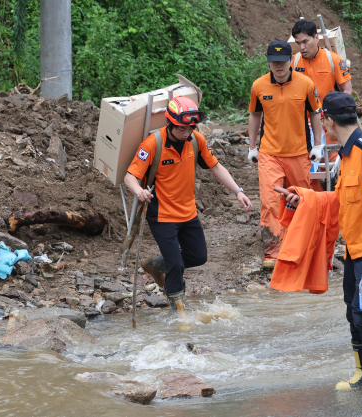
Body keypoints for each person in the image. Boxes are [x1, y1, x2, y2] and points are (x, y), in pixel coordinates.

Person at [286, 91, 362, 409]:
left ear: (328, 120)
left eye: (322, 119)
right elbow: (339, 202)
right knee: (351, 313)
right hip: (354, 250)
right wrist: (304, 198)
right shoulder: (345, 154)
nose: (322, 124)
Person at [125, 96, 252, 313]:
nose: (186, 133)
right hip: (162, 215)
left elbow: (216, 167)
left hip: (188, 212)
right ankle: (179, 312)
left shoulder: (196, 140)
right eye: (182, 129)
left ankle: (157, 264)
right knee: (176, 265)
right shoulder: (153, 143)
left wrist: (237, 190)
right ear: (170, 123)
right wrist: (139, 191)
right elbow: (130, 176)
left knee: (198, 256)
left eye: (190, 128)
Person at [248, 40, 323, 272]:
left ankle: (305, 244)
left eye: (282, 62)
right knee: (270, 201)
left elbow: (316, 114)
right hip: (269, 153)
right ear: (269, 63)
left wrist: (318, 145)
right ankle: (273, 250)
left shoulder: (306, 84)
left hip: (299, 153)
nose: (278, 66)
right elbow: (254, 115)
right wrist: (252, 147)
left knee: (302, 200)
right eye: (274, 62)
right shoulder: (259, 86)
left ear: (290, 61)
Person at [291, 20, 352, 174]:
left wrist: (337, 117)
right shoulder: (293, 62)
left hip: (327, 122)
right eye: (298, 43)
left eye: (305, 41)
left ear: (316, 38)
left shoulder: (333, 60)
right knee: (306, 166)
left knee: (331, 165)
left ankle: (332, 195)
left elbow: (346, 90)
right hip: (302, 125)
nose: (302, 47)